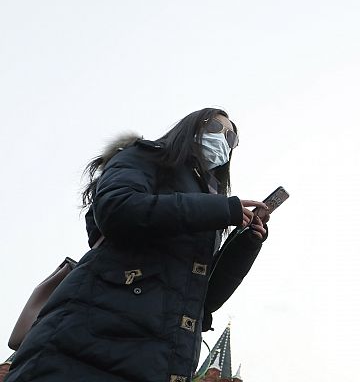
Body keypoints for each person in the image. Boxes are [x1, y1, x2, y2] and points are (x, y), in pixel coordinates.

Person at [6, 108, 269, 382]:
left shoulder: (208, 200)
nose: (223, 140)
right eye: (216, 127)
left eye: (231, 138)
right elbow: (116, 208)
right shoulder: (146, 156)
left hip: (155, 360)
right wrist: (219, 210)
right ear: (191, 126)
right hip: (86, 342)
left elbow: (203, 298)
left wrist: (246, 244)